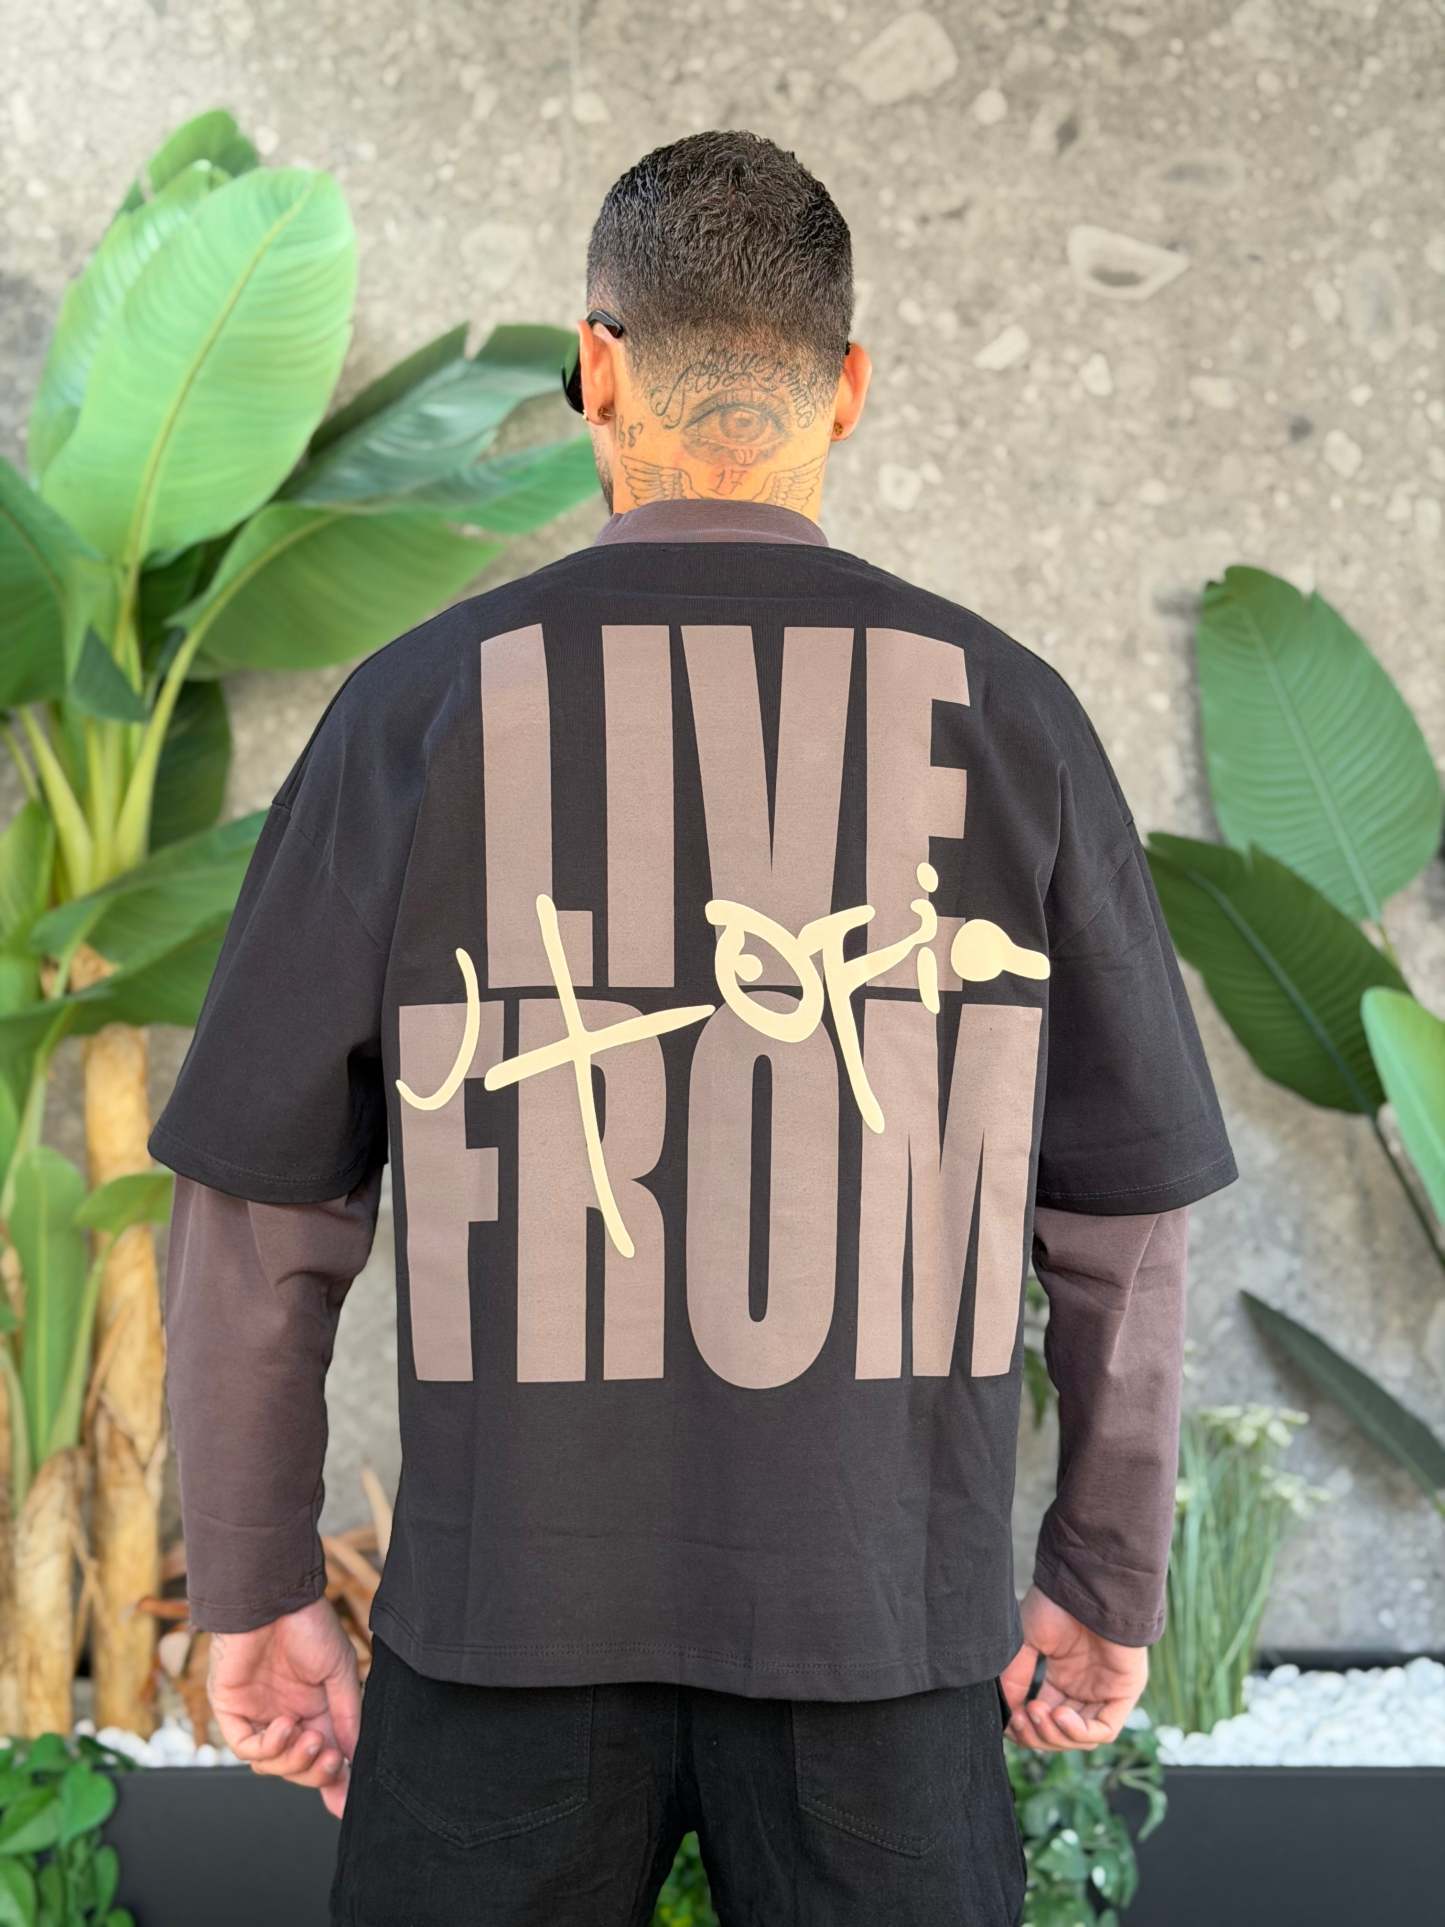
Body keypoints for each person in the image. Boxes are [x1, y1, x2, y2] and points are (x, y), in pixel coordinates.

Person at [148, 130, 1238, 1927]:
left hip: (500, 1634)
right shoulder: (1012, 718)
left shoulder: (416, 709)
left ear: (596, 367)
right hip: (880, 1639)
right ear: (849, 386)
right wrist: (1106, 1571)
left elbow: (263, 1218)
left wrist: (258, 1584)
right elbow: (1122, 1225)